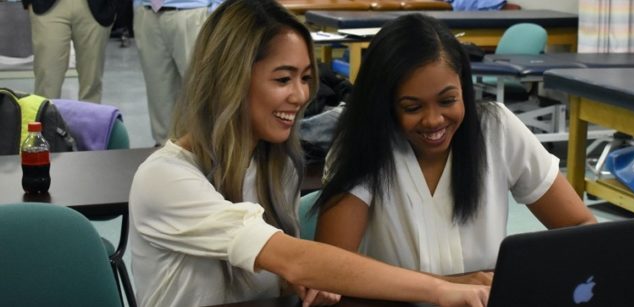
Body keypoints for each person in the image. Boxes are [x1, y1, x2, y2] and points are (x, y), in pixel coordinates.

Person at [128, 1, 489, 306]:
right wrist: (441, 288)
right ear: (230, 80)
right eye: (283, 79)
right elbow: (292, 259)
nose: (301, 96)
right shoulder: (166, 179)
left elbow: (280, 278)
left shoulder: (278, 168)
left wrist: (300, 286)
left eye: (304, 78)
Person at [313, 14, 597, 285]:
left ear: (464, 88)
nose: (434, 120)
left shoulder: (496, 128)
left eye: (448, 101)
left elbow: (581, 226)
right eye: (412, 107)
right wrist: (448, 287)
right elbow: (331, 270)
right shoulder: (360, 142)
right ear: (383, 104)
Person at [133, 0, 221, 145]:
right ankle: (164, 152)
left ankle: (210, 154)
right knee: (158, 95)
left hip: (193, 13)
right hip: (148, 12)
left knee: (203, 93)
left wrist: (217, 10)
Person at [23, 0, 116, 103]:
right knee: (47, 78)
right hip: (48, 7)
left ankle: (90, 118)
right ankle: (45, 117)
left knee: (92, 79)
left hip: (95, 7)